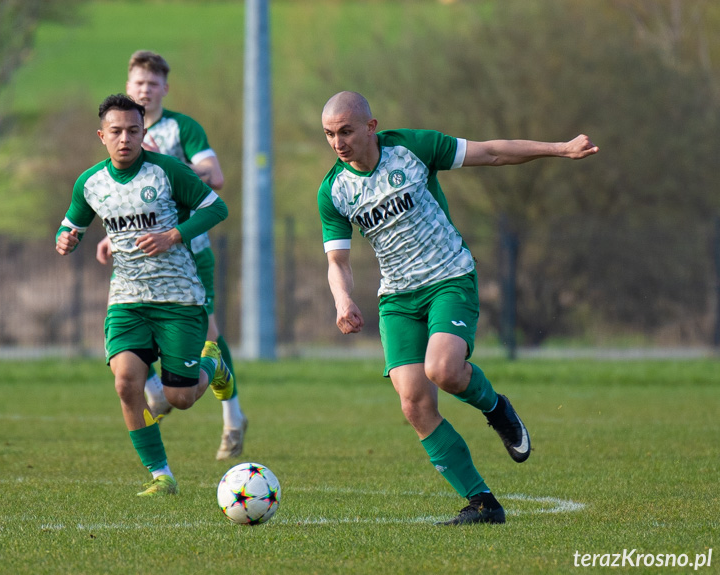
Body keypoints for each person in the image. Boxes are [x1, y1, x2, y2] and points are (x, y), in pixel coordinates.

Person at [317, 91, 599, 525]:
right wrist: (343, 298)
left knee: (444, 370)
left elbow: (491, 153)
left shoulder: (412, 148)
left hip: (449, 277)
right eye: (330, 134)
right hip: (397, 298)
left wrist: (559, 148)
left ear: (371, 127)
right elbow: (337, 260)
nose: (338, 142)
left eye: (346, 131)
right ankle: (482, 503)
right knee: (413, 403)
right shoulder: (333, 191)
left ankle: (496, 409)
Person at [56, 94, 236, 497]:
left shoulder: (168, 171)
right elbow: (71, 224)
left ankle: (213, 362)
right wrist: (66, 239)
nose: (125, 139)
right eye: (116, 132)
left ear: (144, 133)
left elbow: (216, 207)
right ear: (102, 135)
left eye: (133, 131)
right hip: (127, 301)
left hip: (179, 300)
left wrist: (173, 235)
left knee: (181, 397)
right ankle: (161, 475)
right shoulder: (90, 183)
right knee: (126, 383)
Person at [95, 50, 247, 461]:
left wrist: (168, 173)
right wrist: (115, 235)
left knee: (210, 333)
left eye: (152, 83)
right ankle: (161, 396)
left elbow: (214, 176)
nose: (145, 89)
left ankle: (233, 417)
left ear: (165, 88)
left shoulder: (182, 128)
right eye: (138, 83)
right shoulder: (120, 132)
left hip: (189, 250)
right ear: (128, 87)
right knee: (137, 336)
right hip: (139, 257)